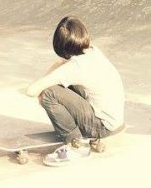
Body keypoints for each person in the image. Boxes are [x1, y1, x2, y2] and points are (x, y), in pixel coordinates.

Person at [25, 16, 125, 166]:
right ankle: (91, 138)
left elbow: (31, 91)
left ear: (62, 47)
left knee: (48, 93)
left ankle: (76, 145)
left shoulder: (75, 67)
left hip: (102, 127)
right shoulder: (93, 51)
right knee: (66, 85)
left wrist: (54, 68)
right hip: (116, 121)